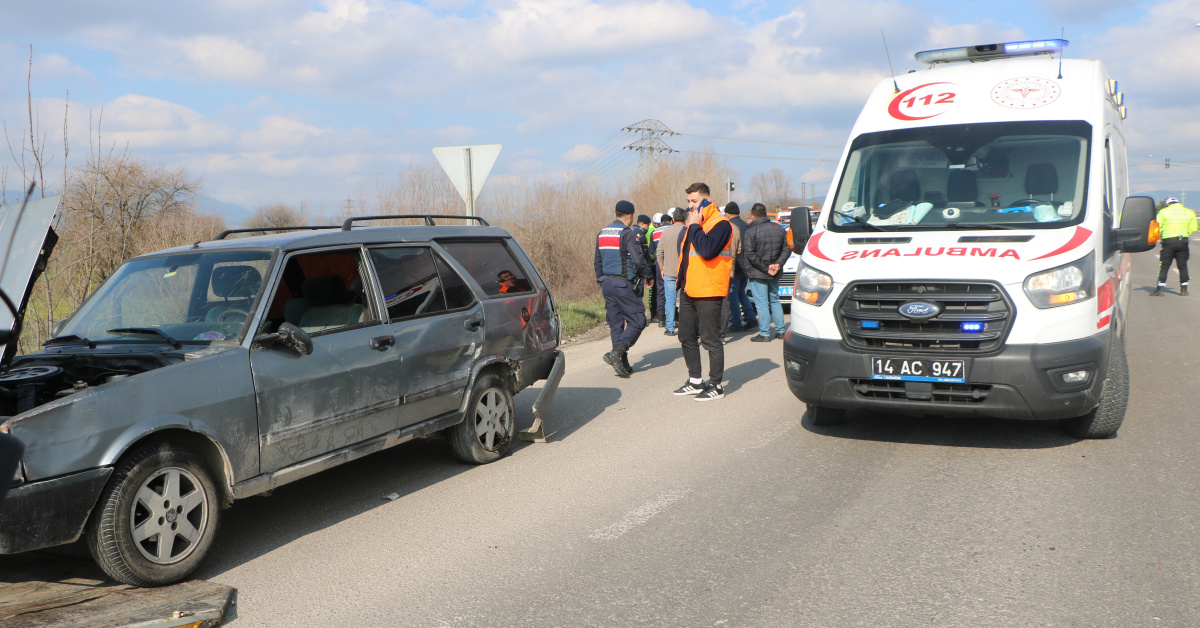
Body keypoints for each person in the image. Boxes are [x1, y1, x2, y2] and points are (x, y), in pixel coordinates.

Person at [674, 183, 733, 401]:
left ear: (706, 199)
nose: (690, 205)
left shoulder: (720, 223)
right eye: (689, 201)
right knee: (686, 336)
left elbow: (707, 251)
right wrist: (680, 282)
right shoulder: (694, 223)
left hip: (709, 290)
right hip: (689, 289)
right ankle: (696, 381)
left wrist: (696, 226)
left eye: (694, 201)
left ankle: (716, 385)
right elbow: (687, 257)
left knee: (710, 340)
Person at [595, 201, 655, 376]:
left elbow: (597, 261)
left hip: (606, 283)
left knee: (616, 323)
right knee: (638, 320)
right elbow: (638, 259)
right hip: (623, 284)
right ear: (630, 216)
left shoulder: (602, 233)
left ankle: (622, 363)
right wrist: (648, 276)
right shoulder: (627, 234)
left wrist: (601, 281)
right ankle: (616, 353)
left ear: (615, 214)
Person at [739, 203, 791, 341]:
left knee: (761, 303)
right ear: (766, 213)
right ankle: (780, 331)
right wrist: (777, 264)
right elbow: (787, 248)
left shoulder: (751, 231)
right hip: (774, 272)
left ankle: (765, 333)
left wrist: (766, 267)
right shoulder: (779, 229)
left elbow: (750, 253)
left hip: (758, 272)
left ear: (753, 215)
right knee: (774, 300)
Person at [723, 202, 758, 333]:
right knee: (741, 293)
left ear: (727, 214)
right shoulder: (745, 225)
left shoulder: (730, 227)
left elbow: (732, 249)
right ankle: (751, 318)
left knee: (732, 294)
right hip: (746, 266)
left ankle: (737, 323)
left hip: (736, 265)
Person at [1153, 197, 1198, 296]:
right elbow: (1194, 227)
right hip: (1183, 241)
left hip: (1169, 241)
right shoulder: (1189, 212)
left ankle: (1160, 289)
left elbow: (1157, 226)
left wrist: (1159, 236)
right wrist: (1186, 232)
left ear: (1168, 204)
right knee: (1182, 265)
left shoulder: (1163, 212)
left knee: (1164, 265)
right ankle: (1184, 289)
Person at [656, 209, 686, 336]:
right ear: (685, 219)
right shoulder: (687, 231)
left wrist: (662, 268)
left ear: (673, 219)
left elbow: (659, 252)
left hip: (669, 271)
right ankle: (686, 327)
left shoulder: (666, 232)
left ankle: (670, 327)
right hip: (685, 272)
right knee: (686, 301)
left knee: (670, 300)